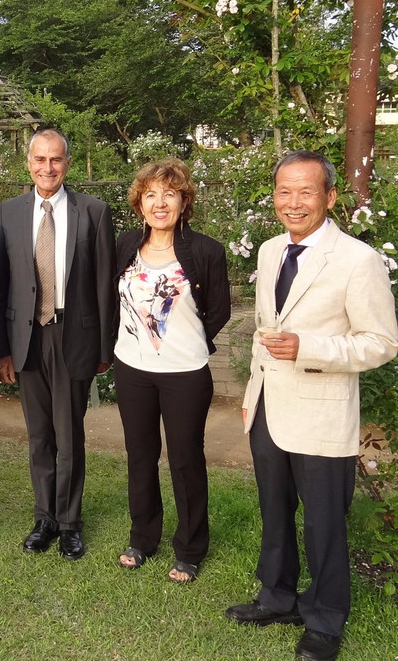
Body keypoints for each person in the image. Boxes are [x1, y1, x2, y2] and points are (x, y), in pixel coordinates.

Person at [225, 150, 398, 661]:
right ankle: (277, 597)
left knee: (324, 522)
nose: (293, 202)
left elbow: (381, 342)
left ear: (329, 196)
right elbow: (265, 330)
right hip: (269, 412)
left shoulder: (357, 259)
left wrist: (312, 348)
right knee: (274, 512)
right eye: (284, 191)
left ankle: (324, 619)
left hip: (322, 413)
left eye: (306, 191)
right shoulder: (269, 249)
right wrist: (252, 393)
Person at [0, 128, 116, 559]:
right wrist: (0, 349)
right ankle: (44, 516)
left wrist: (104, 348)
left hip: (73, 337)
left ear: (67, 162)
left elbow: (104, 283)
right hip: (26, 337)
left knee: (69, 432)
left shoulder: (94, 211)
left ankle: (69, 522)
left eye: (56, 159)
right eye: (40, 159)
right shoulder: (8, 212)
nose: (48, 168)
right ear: (29, 163)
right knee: (38, 433)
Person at [112, 158, 230, 583]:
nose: (160, 203)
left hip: (186, 372)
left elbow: (218, 311)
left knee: (185, 459)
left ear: (184, 201)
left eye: (170, 194)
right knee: (140, 456)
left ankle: (190, 547)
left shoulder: (206, 251)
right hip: (132, 370)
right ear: (139, 203)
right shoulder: (125, 245)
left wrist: (187, 341)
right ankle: (143, 538)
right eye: (151, 195)